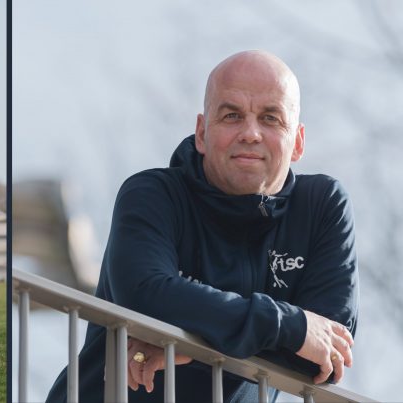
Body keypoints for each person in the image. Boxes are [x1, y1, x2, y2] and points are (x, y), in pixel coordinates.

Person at [46, 50, 359, 402]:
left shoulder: (321, 206)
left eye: (271, 118)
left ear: (298, 142)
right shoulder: (152, 194)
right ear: (201, 132)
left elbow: (327, 354)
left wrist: (190, 347)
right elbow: (144, 292)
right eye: (232, 115)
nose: (251, 133)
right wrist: (290, 325)